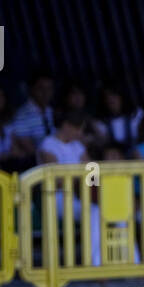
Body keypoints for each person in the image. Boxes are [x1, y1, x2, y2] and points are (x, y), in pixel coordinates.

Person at [37, 110, 101, 267]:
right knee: (93, 211)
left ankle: (99, 261)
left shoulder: (77, 145)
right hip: (54, 198)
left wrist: (77, 178)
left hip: (77, 198)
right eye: (77, 128)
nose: (80, 133)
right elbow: (57, 180)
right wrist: (79, 177)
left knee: (99, 210)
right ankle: (94, 263)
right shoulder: (48, 144)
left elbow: (93, 172)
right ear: (66, 126)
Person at [9, 71, 57, 165]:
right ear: (32, 89)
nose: (45, 93)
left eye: (49, 89)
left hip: (57, 161)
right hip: (37, 166)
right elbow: (29, 149)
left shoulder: (52, 112)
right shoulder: (22, 115)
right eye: (41, 88)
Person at [97, 84, 144, 153]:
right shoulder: (101, 122)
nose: (111, 100)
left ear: (122, 97)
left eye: (114, 96)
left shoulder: (137, 114)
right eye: (107, 98)